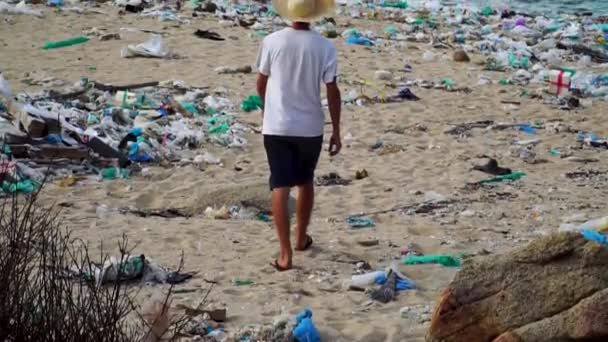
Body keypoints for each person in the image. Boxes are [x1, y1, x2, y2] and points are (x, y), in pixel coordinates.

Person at [256, 0, 342, 271]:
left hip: (277, 125)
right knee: (305, 181)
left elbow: (261, 82)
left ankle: (284, 253)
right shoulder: (325, 46)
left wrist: (267, 109)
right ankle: (301, 237)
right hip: (310, 127)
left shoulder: (272, 41)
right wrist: (336, 129)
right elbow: (332, 91)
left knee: (280, 186)